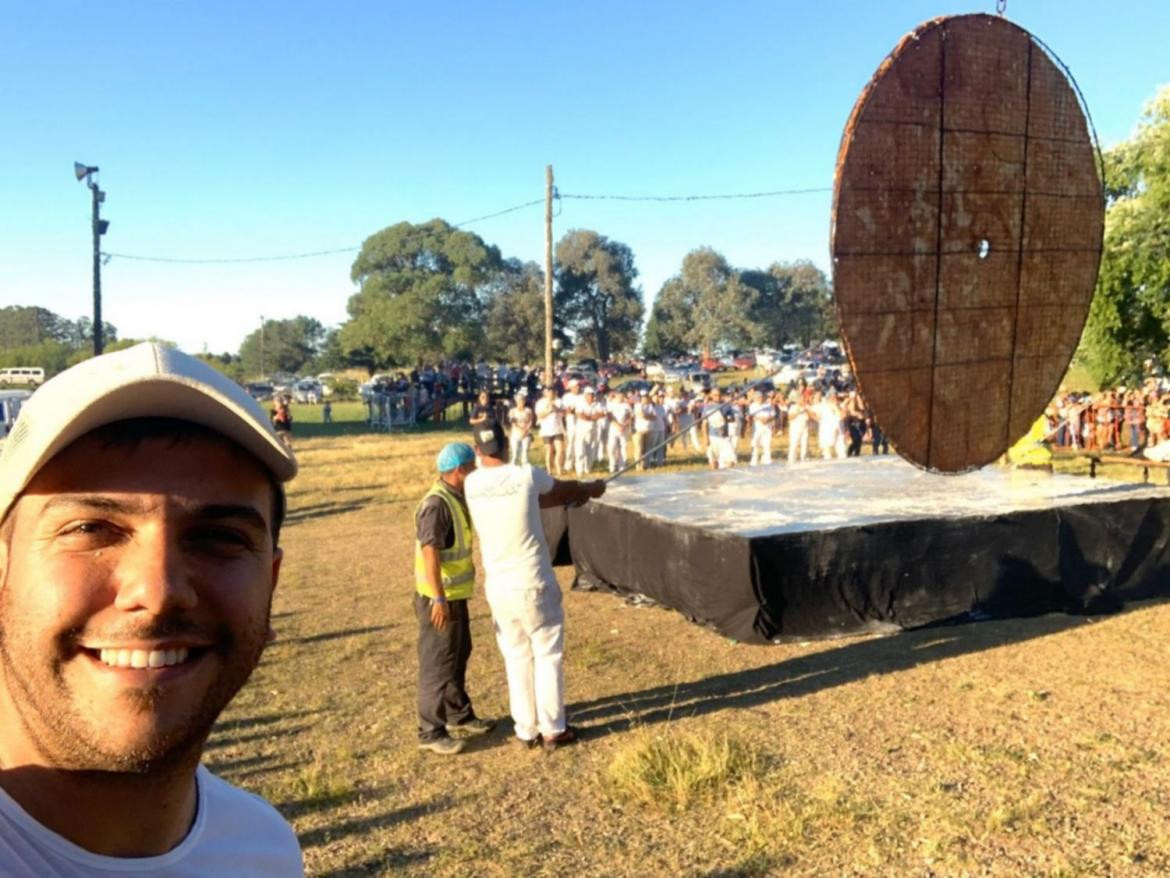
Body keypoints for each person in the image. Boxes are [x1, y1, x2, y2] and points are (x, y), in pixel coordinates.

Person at [0, 342, 303, 873]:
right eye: (92, 529)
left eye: (219, 537)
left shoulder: (265, 850)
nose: (158, 591)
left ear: (270, 586)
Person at [463, 421, 605, 750]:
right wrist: (590, 488)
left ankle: (526, 729)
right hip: (532, 579)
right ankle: (554, 728)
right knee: (547, 653)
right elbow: (560, 491)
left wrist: (579, 492)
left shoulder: (471, 483)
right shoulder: (526, 475)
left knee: (516, 657)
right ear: (507, 445)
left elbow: (538, 501)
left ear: (477, 451)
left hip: (498, 585)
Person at [413, 442, 497, 756]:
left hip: (455, 595)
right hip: (439, 598)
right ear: (459, 470)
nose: (475, 472)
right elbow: (430, 552)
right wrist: (438, 598)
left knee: (458, 654)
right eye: (472, 467)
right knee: (438, 662)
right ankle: (431, 731)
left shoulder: (456, 497)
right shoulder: (436, 505)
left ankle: (459, 714)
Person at [703, 386, 737, 470]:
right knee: (713, 461)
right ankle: (715, 480)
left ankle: (725, 476)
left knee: (730, 461)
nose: (717, 397)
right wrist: (706, 438)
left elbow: (732, 419)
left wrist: (725, 418)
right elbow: (704, 424)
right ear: (711, 395)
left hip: (724, 437)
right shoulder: (708, 407)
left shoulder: (726, 406)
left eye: (719, 395)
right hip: (712, 437)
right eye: (715, 395)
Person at [535, 387, 566, 476]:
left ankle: (558, 468)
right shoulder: (540, 403)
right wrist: (549, 411)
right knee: (549, 450)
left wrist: (556, 408)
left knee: (560, 450)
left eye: (552, 392)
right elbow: (539, 415)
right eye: (548, 392)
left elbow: (564, 412)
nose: (550, 394)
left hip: (558, 429)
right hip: (546, 430)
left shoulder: (559, 401)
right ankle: (549, 470)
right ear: (545, 393)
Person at [748, 388, 775, 466]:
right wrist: (760, 419)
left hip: (767, 428)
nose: (760, 399)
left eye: (761, 397)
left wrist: (768, 419)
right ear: (755, 399)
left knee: (767, 444)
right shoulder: (753, 406)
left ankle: (767, 460)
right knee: (755, 444)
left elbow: (773, 415)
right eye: (758, 398)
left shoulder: (768, 405)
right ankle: (754, 461)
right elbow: (751, 416)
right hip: (757, 428)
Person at [508, 392, 535, 466]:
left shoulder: (528, 410)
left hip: (526, 434)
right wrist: (521, 430)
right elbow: (513, 422)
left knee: (525, 452)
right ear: (516, 401)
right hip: (515, 433)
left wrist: (526, 430)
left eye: (523, 399)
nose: (521, 401)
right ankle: (513, 468)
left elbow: (531, 421)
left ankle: (525, 467)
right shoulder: (512, 411)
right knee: (515, 452)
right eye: (519, 400)